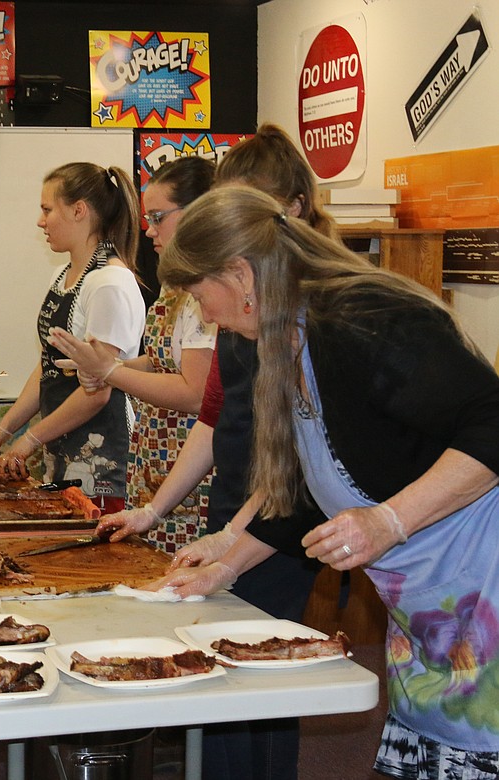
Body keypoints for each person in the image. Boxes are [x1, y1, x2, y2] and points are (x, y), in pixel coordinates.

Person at [152, 182, 499, 780]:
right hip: (429, 615)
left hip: (483, 590)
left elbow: (492, 422)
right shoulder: (288, 343)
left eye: (197, 292)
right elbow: (309, 487)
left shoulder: (367, 320)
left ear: (240, 275)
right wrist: (229, 564)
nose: (201, 311)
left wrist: (390, 519)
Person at [50, 125, 338, 780]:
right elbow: (217, 413)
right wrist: (156, 512)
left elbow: (296, 450)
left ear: (291, 208)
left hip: (278, 518)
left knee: (258, 687)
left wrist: (236, 535)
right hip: (234, 507)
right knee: (220, 680)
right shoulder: (239, 293)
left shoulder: (303, 306)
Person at [49, 156, 217, 552]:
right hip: (157, 463)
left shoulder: (208, 288)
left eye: (159, 217)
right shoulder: (174, 280)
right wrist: (108, 366)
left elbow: (196, 392)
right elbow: (161, 361)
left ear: (197, 214)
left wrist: (109, 371)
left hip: (192, 469)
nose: (149, 229)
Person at [0, 163, 145, 511]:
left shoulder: (110, 283)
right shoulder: (62, 275)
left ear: (79, 210)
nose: (40, 220)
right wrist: (2, 432)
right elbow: (48, 368)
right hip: (62, 449)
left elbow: (98, 391)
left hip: (104, 459)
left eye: (47, 209)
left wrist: (30, 439)